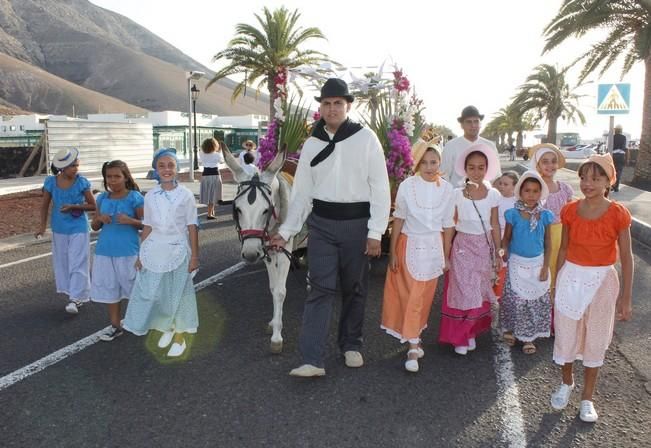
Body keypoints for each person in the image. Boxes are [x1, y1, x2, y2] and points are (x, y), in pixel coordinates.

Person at [270, 78, 390, 377]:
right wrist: (286, 231)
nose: (332, 108)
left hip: (357, 224)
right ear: (320, 108)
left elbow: (380, 187)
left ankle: (351, 344)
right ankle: (311, 359)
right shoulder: (312, 144)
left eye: (338, 103)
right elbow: (301, 194)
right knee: (319, 289)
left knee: (355, 287)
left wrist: (375, 232)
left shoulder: (366, 139)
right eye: (326, 103)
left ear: (348, 106)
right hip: (321, 225)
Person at [550, 154, 633, 423]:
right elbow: (563, 248)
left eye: (595, 178)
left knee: (595, 339)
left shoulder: (618, 213)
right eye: (584, 177)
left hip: (602, 282)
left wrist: (626, 298)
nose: (587, 183)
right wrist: (555, 281)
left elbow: (627, 257)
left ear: (608, 181)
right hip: (571, 276)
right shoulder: (571, 210)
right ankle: (566, 382)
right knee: (566, 333)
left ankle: (587, 397)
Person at [380, 136, 454, 373]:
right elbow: (399, 220)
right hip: (408, 246)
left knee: (423, 298)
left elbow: (448, 224)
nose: (430, 167)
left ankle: (415, 335)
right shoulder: (407, 186)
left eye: (434, 162)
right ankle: (413, 345)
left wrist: (446, 255)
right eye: (425, 162)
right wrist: (391, 253)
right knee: (410, 296)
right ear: (418, 164)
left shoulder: (448, 189)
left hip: (433, 249)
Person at [123, 149, 200, 358]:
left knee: (179, 295)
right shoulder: (150, 195)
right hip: (155, 249)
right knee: (155, 292)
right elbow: (147, 226)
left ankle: (180, 337)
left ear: (177, 169)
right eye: (162, 166)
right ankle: (167, 326)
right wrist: (141, 255)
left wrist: (194, 256)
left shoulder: (185, 195)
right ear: (156, 169)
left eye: (170, 165)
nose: (166, 169)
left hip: (177, 249)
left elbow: (192, 226)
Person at [439, 143, 502, 355]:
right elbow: (449, 225)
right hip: (463, 247)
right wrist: (446, 254)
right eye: (472, 167)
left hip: (484, 248)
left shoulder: (493, 194)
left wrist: (498, 253)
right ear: (465, 169)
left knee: (478, 292)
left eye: (481, 167)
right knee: (464, 292)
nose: (476, 171)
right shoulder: (456, 194)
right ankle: (461, 336)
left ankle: (470, 333)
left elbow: (495, 225)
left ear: (487, 169)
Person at [36, 148, 96, 314]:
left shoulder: (82, 182)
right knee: (62, 262)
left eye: (77, 165)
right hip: (59, 228)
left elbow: (93, 205)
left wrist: (74, 206)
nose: (76, 169)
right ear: (62, 167)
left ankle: (75, 298)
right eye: (72, 166)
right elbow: (44, 205)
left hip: (79, 227)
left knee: (78, 261)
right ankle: (72, 292)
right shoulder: (50, 182)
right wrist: (42, 226)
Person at [500, 171, 553, 354]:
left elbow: (548, 243)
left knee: (535, 300)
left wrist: (546, 266)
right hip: (517, 263)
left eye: (535, 191)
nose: (531, 195)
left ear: (541, 193)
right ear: (520, 192)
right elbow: (506, 238)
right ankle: (511, 330)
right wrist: (503, 250)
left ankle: (529, 337)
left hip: (537, 263)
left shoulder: (545, 216)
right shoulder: (513, 214)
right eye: (527, 191)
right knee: (516, 300)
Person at [90, 160, 144, 341]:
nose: (113, 180)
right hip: (104, 252)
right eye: (109, 177)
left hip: (129, 252)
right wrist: (99, 219)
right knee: (110, 290)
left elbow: (148, 225)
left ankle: (142, 322)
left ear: (125, 177)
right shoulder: (102, 198)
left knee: (136, 290)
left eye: (117, 176)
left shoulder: (135, 197)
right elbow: (95, 225)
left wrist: (131, 221)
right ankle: (115, 325)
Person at [529, 143, 573, 297]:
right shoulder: (534, 188)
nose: (550, 165)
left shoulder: (564, 188)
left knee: (559, 269)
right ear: (538, 165)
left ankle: (556, 303)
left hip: (562, 236)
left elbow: (572, 213)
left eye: (553, 161)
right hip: (540, 236)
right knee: (541, 270)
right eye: (545, 161)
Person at [440, 106, 501, 187]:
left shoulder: (490, 146)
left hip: (486, 197)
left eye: (476, 121)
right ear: (462, 125)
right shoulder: (451, 146)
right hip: (458, 196)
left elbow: (496, 176)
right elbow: (444, 176)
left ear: (480, 124)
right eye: (469, 122)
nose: (473, 125)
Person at [493, 171, 519, 298]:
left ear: (515, 186)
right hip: (496, 238)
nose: (502, 186)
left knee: (506, 266)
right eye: (500, 183)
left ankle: (504, 295)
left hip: (510, 241)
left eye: (506, 184)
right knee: (497, 264)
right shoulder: (495, 199)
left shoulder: (518, 203)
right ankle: (495, 296)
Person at [199, 137, 224, 219]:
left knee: (208, 194)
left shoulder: (201, 153)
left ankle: (211, 211)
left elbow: (201, 160)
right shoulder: (217, 155)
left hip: (205, 175)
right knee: (213, 194)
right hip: (215, 174)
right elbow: (221, 161)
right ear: (214, 145)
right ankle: (209, 214)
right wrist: (220, 151)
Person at [612, 124, 627, 192]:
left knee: (612, 171)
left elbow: (608, 147)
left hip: (613, 155)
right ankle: (616, 187)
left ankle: (612, 185)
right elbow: (626, 148)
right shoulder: (624, 137)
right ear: (621, 130)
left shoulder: (612, 137)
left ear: (615, 130)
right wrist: (627, 159)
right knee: (619, 172)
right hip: (621, 156)